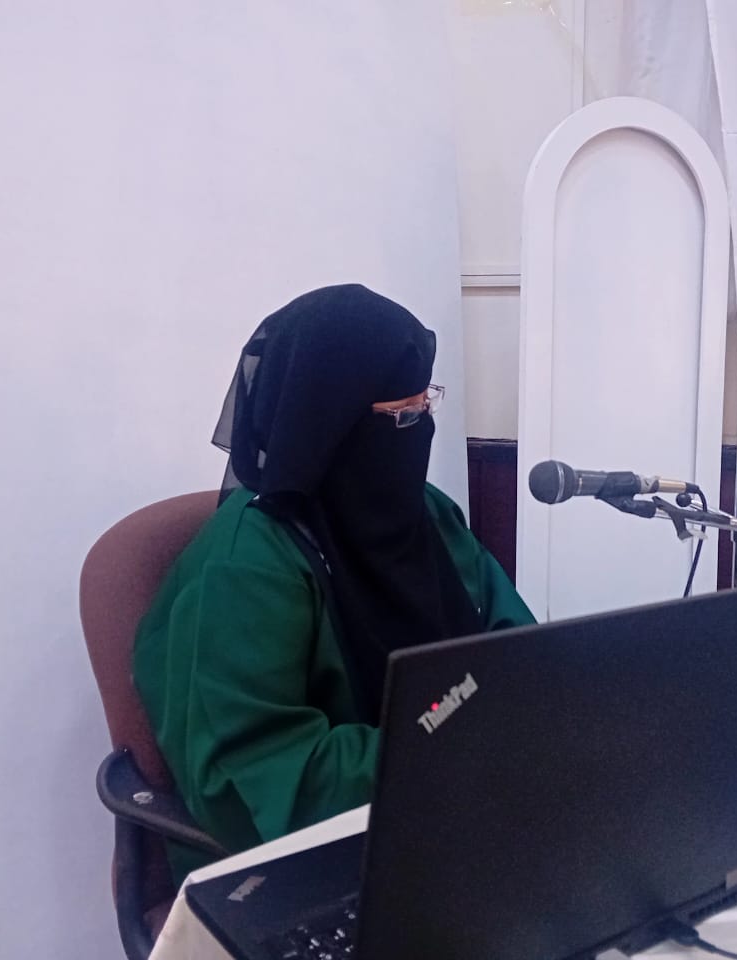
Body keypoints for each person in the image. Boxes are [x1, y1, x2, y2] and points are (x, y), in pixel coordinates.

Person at [133, 284, 534, 873]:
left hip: (453, 808)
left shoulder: (423, 513)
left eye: (427, 406)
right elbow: (267, 776)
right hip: (312, 856)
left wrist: (528, 719)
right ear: (329, 425)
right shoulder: (248, 565)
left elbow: (517, 648)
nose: (420, 429)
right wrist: (456, 749)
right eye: (403, 415)